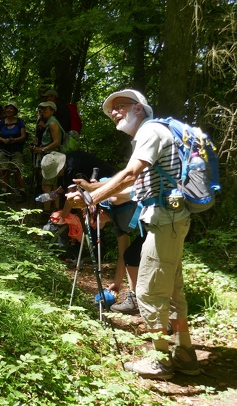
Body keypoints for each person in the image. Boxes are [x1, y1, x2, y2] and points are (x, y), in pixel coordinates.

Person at [65, 89, 200, 380]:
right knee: (174, 293)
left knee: (149, 292)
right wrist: (95, 191)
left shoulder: (150, 131)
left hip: (165, 221)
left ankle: (161, 361)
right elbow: (135, 189)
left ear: (139, 108)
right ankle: (185, 354)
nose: (115, 112)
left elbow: (129, 174)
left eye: (121, 106)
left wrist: (93, 199)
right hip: (171, 220)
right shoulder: (156, 134)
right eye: (111, 109)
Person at [33, 101, 65, 213]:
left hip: (52, 158)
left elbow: (57, 142)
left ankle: (47, 212)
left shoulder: (52, 123)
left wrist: (41, 150)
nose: (43, 112)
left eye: (46, 109)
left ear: (52, 111)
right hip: (53, 158)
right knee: (53, 186)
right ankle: (55, 211)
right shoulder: (48, 123)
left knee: (46, 186)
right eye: (42, 109)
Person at [0, 102, 27, 198]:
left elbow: (23, 136)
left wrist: (14, 140)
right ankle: (4, 192)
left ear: (15, 111)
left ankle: (22, 192)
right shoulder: (1, 122)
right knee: (4, 171)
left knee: (17, 170)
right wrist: (4, 140)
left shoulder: (19, 122)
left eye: (11, 108)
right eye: (7, 108)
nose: (9, 110)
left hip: (16, 150)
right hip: (4, 150)